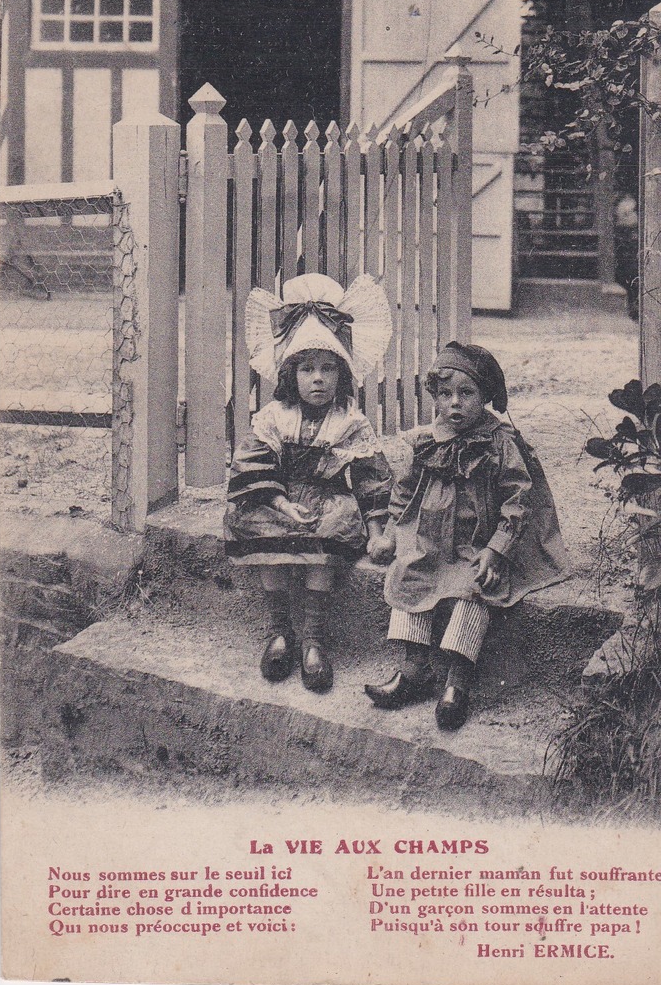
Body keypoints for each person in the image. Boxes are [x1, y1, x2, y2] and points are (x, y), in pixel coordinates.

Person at [365, 341, 570, 731]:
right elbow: (406, 490)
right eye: (445, 394)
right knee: (410, 576)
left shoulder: (498, 442)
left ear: (486, 396)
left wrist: (497, 550)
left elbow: (518, 499)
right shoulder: (430, 440)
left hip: (477, 543)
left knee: (475, 590)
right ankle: (413, 671)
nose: (454, 404)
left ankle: (458, 682)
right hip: (431, 540)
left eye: (466, 393)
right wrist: (393, 531)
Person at [224, 272, 393, 693]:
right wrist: (282, 504)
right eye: (307, 368)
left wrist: (377, 532)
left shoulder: (349, 422)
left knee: (330, 531)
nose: (318, 378)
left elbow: (372, 479)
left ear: (341, 375)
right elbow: (252, 465)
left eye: (328, 369)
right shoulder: (273, 417)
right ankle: (280, 631)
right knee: (262, 530)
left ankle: (314, 641)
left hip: (327, 499)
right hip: (279, 498)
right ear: (290, 375)